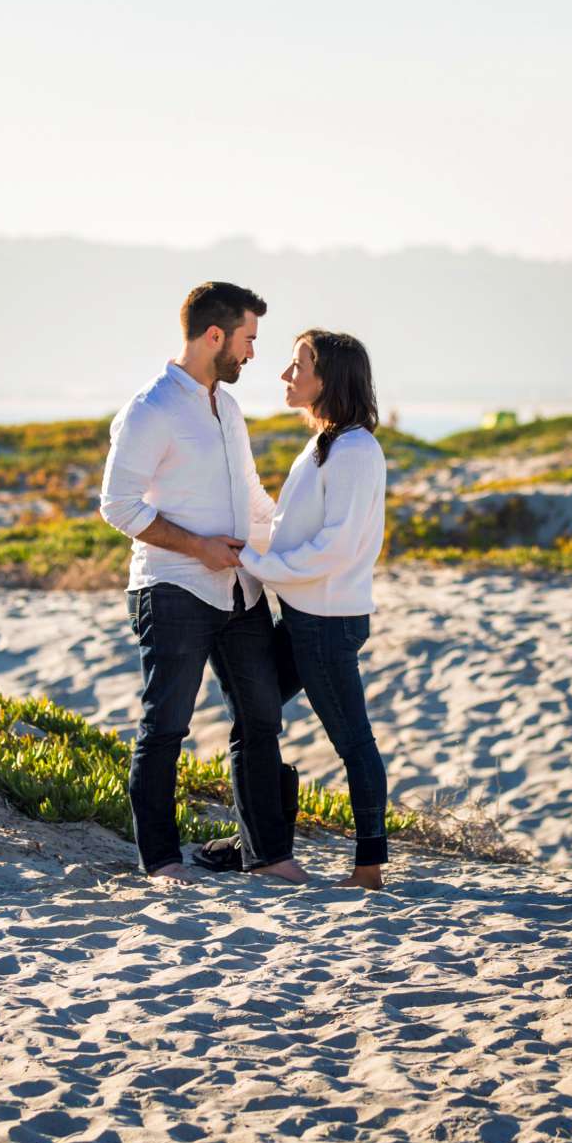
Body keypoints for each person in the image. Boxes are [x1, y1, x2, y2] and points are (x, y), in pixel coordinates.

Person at [98, 281, 304, 886]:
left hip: (240, 592)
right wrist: (199, 548)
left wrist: (303, 540)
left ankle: (269, 855)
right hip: (173, 588)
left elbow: (251, 496)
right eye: (248, 340)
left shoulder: (229, 407)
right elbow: (118, 506)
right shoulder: (150, 409)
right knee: (166, 725)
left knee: (262, 719)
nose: (252, 354)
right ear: (215, 336)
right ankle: (161, 861)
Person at [239, 329, 392, 890]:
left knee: (353, 742)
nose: (286, 374)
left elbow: (337, 546)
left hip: (327, 625)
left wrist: (259, 566)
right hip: (303, 618)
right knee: (251, 717)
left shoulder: (355, 449)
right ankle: (263, 840)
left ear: (328, 378)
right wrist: (246, 547)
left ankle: (369, 868)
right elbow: (291, 528)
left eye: (298, 365)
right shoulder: (327, 441)